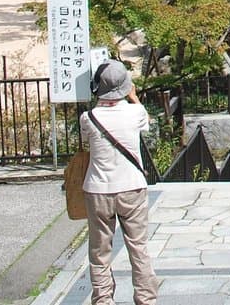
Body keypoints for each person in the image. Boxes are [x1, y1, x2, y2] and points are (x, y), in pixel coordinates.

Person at [80, 60, 158, 305]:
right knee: (138, 248)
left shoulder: (88, 117)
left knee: (100, 252)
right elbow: (146, 123)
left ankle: (103, 300)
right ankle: (146, 299)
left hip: (98, 189)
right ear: (126, 86)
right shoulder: (136, 113)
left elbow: (85, 143)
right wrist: (134, 97)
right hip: (132, 187)